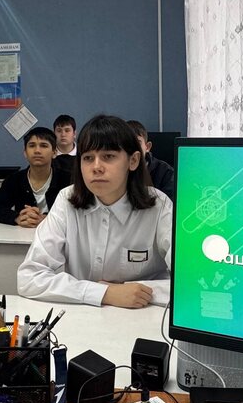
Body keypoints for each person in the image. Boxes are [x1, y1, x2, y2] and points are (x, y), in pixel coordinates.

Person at [17, 114, 172, 308]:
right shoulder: (67, 200)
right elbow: (29, 277)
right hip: (85, 317)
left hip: (143, 316)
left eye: (108, 156)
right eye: (88, 158)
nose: (96, 167)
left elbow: (191, 280)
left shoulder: (159, 206)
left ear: (133, 161)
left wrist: (138, 291)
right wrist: (104, 293)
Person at [0, 126, 72, 227]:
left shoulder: (68, 180)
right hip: (23, 233)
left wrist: (47, 219)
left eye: (44, 146)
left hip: (58, 233)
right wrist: (17, 217)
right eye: (32, 146)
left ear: (54, 153)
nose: (37, 151)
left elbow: (78, 211)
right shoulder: (14, 179)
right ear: (25, 153)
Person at [127, 119, 176, 200]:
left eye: (137, 143)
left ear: (147, 147)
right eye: (126, 143)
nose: (132, 148)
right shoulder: (116, 170)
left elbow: (170, 204)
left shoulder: (166, 172)